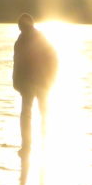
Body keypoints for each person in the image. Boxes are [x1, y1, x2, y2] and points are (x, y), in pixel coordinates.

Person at [11, 13, 58, 153]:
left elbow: (17, 63)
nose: (22, 29)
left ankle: (29, 145)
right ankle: (38, 144)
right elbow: (54, 59)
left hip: (35, 83)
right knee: (40, 113)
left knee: (29, 114)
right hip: (37, 83)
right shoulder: (38, 39)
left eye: (22, 26)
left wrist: (16, 81)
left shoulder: (23, 41)